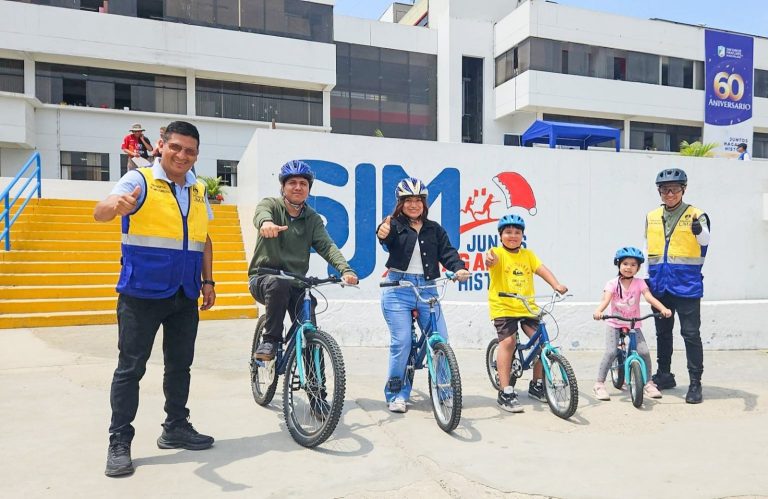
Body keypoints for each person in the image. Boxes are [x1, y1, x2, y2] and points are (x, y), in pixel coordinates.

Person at [95, 121, 216, 477]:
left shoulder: (198, 189)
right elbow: (101, 211)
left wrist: (208, 281)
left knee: (180, 366)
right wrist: (114, 204)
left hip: (185, 293)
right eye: (175, 147)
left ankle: (175, 426)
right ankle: (119, 441)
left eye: (190, 151)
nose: (182, 155)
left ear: (196, 155)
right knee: (130, 368)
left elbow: (204, 238)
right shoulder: (139, 180)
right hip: (141, 293)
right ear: (161, 145)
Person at [376, 178, 471, 413]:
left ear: (424, 203)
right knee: (402, 342)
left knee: (441, 339)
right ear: (400, 203)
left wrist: (458, 268)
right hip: (398, 288)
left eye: (418, 200)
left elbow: (448, 253)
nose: (414, 204)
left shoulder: (434, 229)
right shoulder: (393, 225)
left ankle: (445, 391)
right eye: (408, 200)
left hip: (428, 288)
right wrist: (382, 232)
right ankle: (396, 393)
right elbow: (386, 238)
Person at [249, 160, 359, 361]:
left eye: (303, 183)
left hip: (296, 282)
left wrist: (346, 270)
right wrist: (266, 223)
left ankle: (316, 377)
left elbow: (327, 246)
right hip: (264, 278)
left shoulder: (312, 218)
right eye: (292, 182)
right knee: (278, 284)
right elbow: (261, 214)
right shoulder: (271, 205)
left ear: (309, 189)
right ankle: (270, 340)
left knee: (308, 319)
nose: (298, 187)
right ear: (283, 186)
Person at [485, 214, 568, 413]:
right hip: (503, 307)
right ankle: (505, 391)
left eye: (517, 232)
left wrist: (556, 285)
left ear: (522, 235)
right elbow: (490, 261)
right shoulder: (496, 252)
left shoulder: (528, 255)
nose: (513, 236)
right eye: (508, 232)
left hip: (526, 307)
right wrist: (489, 260)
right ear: (500, 235)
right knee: (508, 342)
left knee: (542, 342)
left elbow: (541, 269)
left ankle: (537, 384)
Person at [645, 168, 710, 404]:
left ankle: (695, 383)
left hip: (686, 285)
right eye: (664, 189)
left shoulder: (697, 215)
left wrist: (699, 231)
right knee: (663, 333)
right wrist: (645, 278)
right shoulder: (652, 216)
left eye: (674, 189)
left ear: (683, 189)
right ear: (659, 192)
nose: (669, 194)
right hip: (659, 285)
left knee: (690, 334)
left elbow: (706, 240)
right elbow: (648, 248)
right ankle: (664, 374)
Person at [592, 247, 672, 401]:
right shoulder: (612, 283)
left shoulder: (640, 283)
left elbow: (649, 297)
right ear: (619, 265)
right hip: (614, 322)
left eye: (633, 265)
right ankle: (599, 384)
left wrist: (663, 309)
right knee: (611, 352)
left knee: (644, 352)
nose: (629, 267)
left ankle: (648, 383)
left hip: (633, 324)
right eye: (625, 264)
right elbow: (606, 300)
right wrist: (599, 311)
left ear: (638, 268)